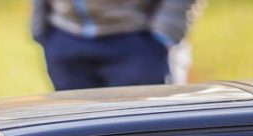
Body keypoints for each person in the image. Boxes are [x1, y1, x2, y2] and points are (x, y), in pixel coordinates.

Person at [30, 0, 206, 90]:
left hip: (137, 40)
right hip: (66, 38)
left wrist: (164, 35)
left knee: (143, 133)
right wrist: (42, 30)